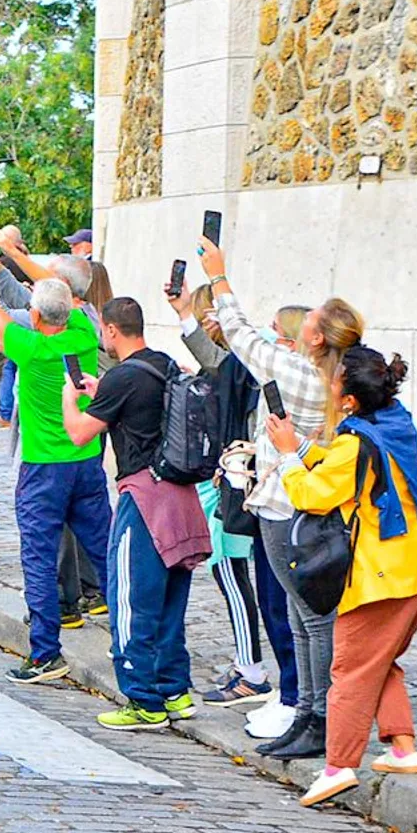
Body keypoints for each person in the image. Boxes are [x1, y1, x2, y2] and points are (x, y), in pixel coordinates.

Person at [198, 237, 365, 760]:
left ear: (314, 337)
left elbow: (246, 337)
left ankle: (318, 715)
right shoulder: (332, 376)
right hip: (308, 501)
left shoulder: (296, 372)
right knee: (303, 612)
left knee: (309, 617)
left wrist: (219, 278)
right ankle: (309, 711)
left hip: (283, 502)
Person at [269, 346, 417, 808]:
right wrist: (305, 448)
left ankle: (338, 765)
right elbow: (355, 467)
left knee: (349, 668)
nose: (330, 385)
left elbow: (314, 494)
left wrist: (289, 457)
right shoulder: (395, 420)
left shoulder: (354, 441)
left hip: (383, 575)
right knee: (379, 658)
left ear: (349, 400)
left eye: (335, 381)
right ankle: (402, 747)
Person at [0, 243, 106, 685]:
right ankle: (129, 641)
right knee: (105, 554)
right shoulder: (84, 331)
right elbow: (58, 287)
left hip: (43, 467)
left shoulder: (28, 345)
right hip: (86, 461)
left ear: (37, 316)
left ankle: (46, 652)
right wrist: (3, 253)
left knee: (39, 559)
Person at [59, 297, 207, 729]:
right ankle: (175, 691)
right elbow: (139, 407)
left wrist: (72, 398)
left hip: (144, 497)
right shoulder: (165, 365)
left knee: (131, 598)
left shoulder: (122, 376)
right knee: (170, 600)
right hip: (182, 493)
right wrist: (100, 392)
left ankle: (143, 700)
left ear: (109, 331)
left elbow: (80, 434)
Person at [174, 282, 298, 736]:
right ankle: (271, 680)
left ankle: (257, 673)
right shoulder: (242, 364)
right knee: (253, 584)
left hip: (251, 484)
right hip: (245, 482)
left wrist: (210, 310)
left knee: (240, 574)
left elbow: (228, 360)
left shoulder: (262, 362)